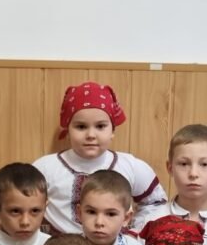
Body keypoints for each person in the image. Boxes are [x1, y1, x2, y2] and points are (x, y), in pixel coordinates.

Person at [34, 81, 168, 235]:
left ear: (112, 130)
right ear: (68, 129)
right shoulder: (45, 168)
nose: (91, 135)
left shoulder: (130, 166)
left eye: (100, 126)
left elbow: (156, 203)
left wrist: (135, 234)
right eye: (81, 127)